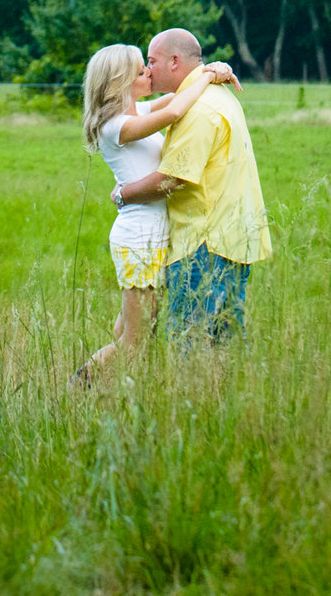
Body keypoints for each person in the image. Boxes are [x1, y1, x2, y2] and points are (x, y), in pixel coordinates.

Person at [77, 43, 238, 382]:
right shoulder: (115, 126)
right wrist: (209, 73)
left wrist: (211, 71)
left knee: (128, 333)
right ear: (119, 82)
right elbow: (173, 112)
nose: (149, 73)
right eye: (140, 71)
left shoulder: (136, 111)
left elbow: (176, 96)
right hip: (138, 241)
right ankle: (80, 386)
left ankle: (107, 389)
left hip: (148, 238)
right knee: (136, 342)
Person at [117, 27, 271, 344]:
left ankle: (199, 393)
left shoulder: (198, 110)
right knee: (222, 340)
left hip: (204, 243)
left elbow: (173, 178)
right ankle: (218, 393)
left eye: (152, 61)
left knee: (193, 340)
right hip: (231, 236)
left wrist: (123, 194)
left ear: (175, 62)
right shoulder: (212, 95)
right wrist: (215, 70)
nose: (147, 69)